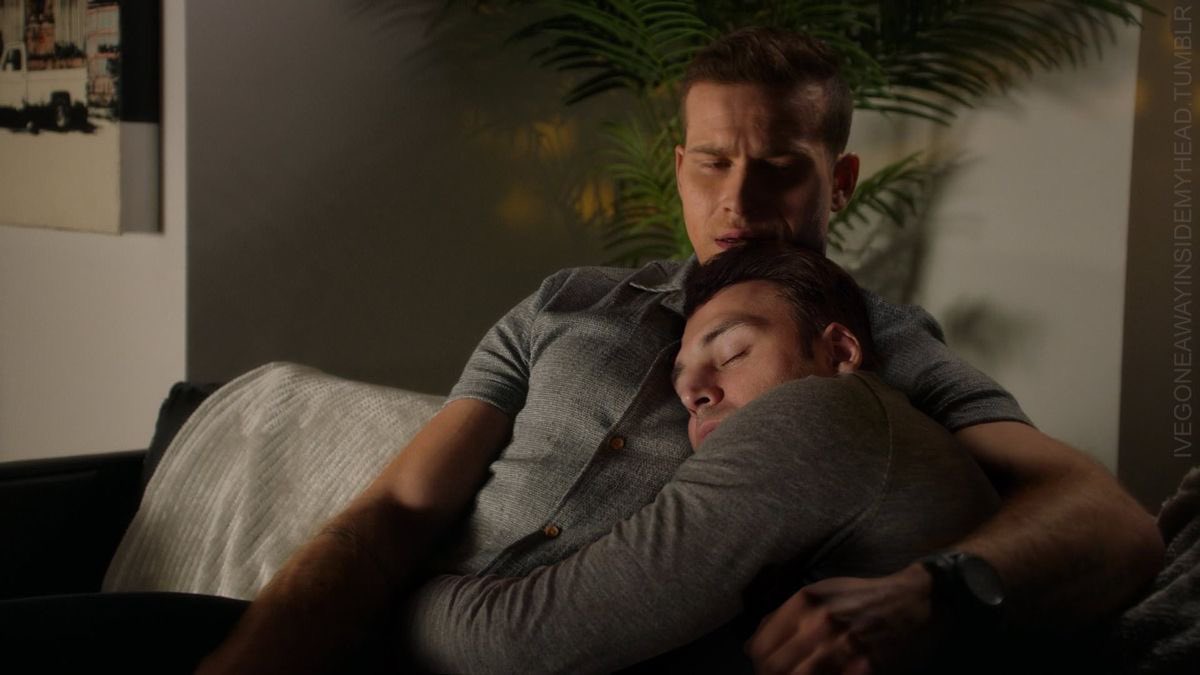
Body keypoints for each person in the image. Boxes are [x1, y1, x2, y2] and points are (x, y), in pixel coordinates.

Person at [199, 26, 1162, 674]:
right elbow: (396, 511)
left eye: (779, 167)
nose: (738, 200)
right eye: (713, 161)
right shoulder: (566, 303)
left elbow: (1107, 517)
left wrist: (932, 593)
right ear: (679, 168)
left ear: (841, 180)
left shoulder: (879, 348)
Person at [398, 241, 1002, 673]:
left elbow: (521, 641)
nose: (692, 392)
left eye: (733, 352)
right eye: (681, 380)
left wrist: (397, 596)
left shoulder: (821, 413)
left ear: (840, 350)